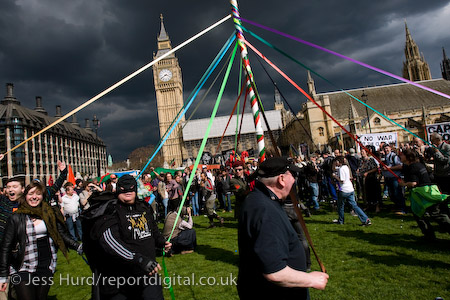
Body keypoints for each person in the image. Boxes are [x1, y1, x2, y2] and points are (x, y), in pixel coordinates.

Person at [238, 157, 328, 299]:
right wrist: (312, 279)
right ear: (281, 179)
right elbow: (275, 272)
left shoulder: (261, 200)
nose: (294, 180)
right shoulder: (265, 210)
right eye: (292, 175)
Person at [81, 174, 171, 300]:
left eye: (131, 189)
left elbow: (153, 230)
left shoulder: (143, 207)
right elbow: (110, 241)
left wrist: (162, 242)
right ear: (118, 190)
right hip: (121, 279)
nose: (128, 192)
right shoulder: (111, 211)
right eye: (124, 189)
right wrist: (139, 259)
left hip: (148, 274)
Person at [0, 181, 81, 300]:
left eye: (38, 194)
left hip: (45, 264)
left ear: (43, 196)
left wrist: (77, 246)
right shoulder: (16, 217)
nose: (34, 197)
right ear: (25, 195)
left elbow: (60, 234)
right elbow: (6, 247)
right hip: (22, 266)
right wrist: (2, 275)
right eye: (31, 194)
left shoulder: (49, 213)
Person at [399, 149, 450, 240]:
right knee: (419, 214)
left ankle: (430, 235)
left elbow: (414, 183)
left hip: (425, 194)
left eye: (402, 155)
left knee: (435, 214)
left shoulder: (413, 167)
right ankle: (429, 235)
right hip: (427, 192)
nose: (400, 156)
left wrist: (404, 184)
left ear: (408, 157)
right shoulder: (418, 165)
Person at [332, 156, 371, 226]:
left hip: (344, 190)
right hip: (350, 189)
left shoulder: (341, 169)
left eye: (336, 161)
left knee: (340, 206)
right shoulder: (346, 167)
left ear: (339, 161)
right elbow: (334, 168)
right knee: (354, 206)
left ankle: (341, 220)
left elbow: (342, 180)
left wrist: (335, 176)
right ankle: (365, 219)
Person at [382, 144, 406, 214]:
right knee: (391, 194)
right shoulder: (384, 157)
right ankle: (396, 206)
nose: (386, 150)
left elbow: (400, 166)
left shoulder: (394, 156)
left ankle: (402, 208)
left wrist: (389, 168)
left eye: (387, 148)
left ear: (390, 148)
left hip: (395, 177)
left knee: (397, 193)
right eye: (385, 149)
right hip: (388, 178)